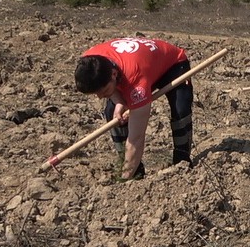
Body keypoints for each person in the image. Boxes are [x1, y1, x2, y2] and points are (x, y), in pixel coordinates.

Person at [73, 37, 193, 181]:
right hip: (139, 65)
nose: (100, 97)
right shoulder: (89, 62)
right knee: (112, 113)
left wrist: (124, 180)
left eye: (104, 91)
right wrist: (118, 101)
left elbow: (136, 138)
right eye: (96, 93)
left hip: (172, 65)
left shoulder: (136, 82)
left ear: (113, 74)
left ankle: (182, 161)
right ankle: (134, 170)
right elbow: (112, 88)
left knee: (180, 108)